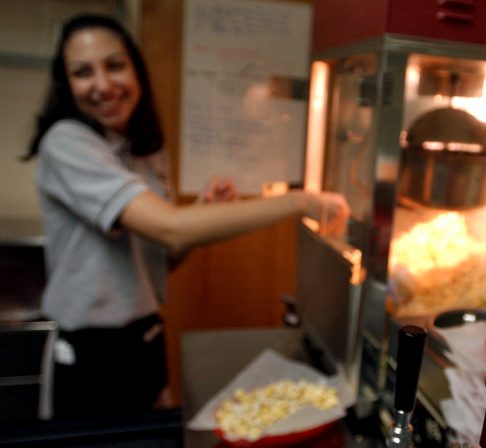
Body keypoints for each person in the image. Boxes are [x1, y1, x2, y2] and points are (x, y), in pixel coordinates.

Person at [24, 13, 349, 419]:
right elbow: (169, 228)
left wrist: (201, 216)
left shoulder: (143, 151)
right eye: (83, 72)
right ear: (67, 85)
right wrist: (301, 201)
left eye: (115, 65)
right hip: (91, 351)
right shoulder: (67, 143)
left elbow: (164, 256)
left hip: (147, 340)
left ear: (136, 71)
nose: (103, 85)